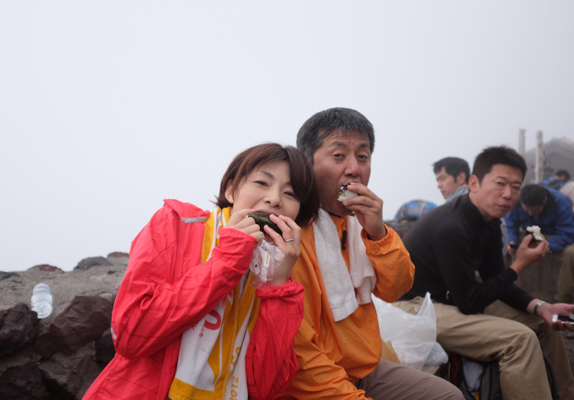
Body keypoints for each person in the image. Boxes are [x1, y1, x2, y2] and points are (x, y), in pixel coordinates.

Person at [82, 143, 320, 400]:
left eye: (290, 194)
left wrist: (278, 285)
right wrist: (229, 258)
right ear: (230, 189)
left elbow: (266, 387)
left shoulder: (275, 273)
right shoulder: (176, 224)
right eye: (262, 183)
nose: (274, 199)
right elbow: (130, 335)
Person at [280, 107, 463, 400]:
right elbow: (296, 353)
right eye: (338, 156)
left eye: (363, 156)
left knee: (448, 396)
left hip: (362, 368)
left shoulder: (358, 226)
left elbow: (396, 289)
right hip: (309, 381)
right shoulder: (289, 234)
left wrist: (379, 234)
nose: (354, 168)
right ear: (306, 163)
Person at [396, 146, 574, 400]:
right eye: (500, 183)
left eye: (515, 187)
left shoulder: (488, 221)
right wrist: (519, 265)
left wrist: (541, 306)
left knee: (543, 323)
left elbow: (495, 282)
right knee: (519, 339)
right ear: (474, 183)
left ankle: (565, 396)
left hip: (452, 298)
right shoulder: (452, 227)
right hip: (415, 307)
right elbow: (471, 302)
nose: (508, 195)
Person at [506, 184, 574, 303]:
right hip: (533, 233)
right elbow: (511, 223)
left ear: (545, 201)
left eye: (535, 210)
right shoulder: (517, 199)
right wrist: (513, 242)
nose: (531, 214)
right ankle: (506, 290)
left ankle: (562, 299)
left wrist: (546, 245)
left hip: (557, 236)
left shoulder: (562, 202)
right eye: (527, 210)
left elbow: (567, 233)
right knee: (505, 249)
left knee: (570, 254)